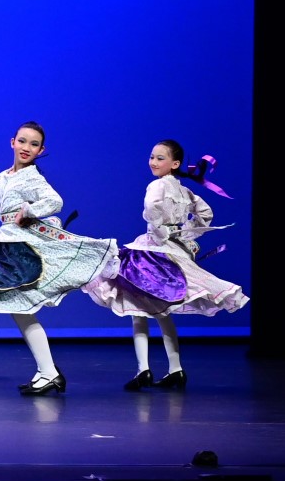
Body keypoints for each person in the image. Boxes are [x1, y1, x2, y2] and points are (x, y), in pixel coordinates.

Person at [0, 121, 120, 397]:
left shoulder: (32, 177)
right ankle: (46, 371)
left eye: (33, 144)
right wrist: (11, 219)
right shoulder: (1, 177)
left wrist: (29, 211)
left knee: (21, 309)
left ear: (41, 151)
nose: (26, 147)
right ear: (12, 142)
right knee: (19, 310)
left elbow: (55, 202)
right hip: (6, 243)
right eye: (22, 141)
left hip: (19, 247)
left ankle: (49, 372)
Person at [84, 142, 247, 390]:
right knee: (162, 312)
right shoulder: (184, 190)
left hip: (152, 250)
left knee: (138, 309)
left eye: (160, 158)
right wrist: (186, 236)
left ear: (175, 163)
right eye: (152, 157)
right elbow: (205, 213)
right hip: (172, 250)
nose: (153, 162)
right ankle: (175, 369)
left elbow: (152, 208)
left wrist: (160, 232)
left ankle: (144, 370)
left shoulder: (157, 185)